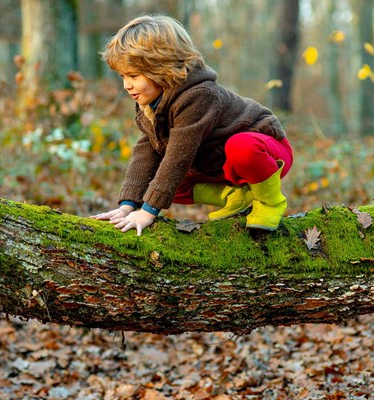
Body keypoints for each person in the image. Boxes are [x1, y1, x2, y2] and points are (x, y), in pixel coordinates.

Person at [91, 14, 293, 236]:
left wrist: (148, 211)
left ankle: (270, 201)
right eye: (122, 76)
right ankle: (233, 195)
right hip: (221, 164)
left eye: (133, 75)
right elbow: (147, 151)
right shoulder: (148, 103)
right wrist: (128, 205)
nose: (126, 85)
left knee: (238, 147)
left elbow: (179, 155)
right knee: (160, 178)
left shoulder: (199, 95)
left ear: (161, 67)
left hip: (267, 152)